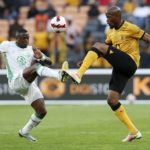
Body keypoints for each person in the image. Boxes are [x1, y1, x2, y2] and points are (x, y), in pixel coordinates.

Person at [62, 6, 150, 142]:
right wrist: (85, 60)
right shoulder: (110, 32)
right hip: (120, 67)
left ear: (117, 17)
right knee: (112, 100)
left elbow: (147, 38)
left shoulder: (130, 27)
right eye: (106, 17)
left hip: (130, 63)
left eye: (109, 17)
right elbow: (102, 49)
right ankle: (133, 131)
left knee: (98, 45)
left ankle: (78, 75)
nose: (107, 20)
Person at [0, 28, 68, 142]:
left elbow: (49, 61)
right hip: (16, 80)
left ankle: (25, 131)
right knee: (36, 67)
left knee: (42, 111)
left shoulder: (32, 49)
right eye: (23, 38)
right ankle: (59, 75)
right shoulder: (7, 45)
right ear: (17, 38)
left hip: (28, 83)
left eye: (27, 37)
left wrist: (41, 57)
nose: (26, 40)